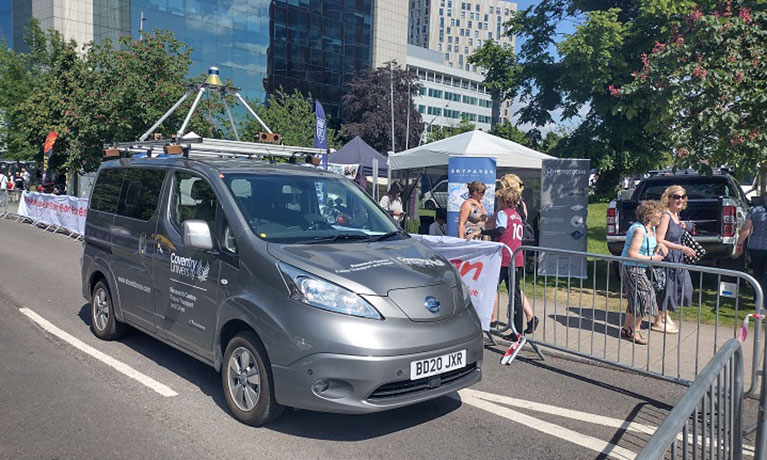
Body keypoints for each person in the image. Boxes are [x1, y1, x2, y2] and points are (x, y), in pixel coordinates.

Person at [483, 187, 539, 333]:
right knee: (514, 294)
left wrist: (483, 232)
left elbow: (500, 230)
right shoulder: (517, 215)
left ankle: (492, 322)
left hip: (505, 258)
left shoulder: (503, 213)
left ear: (505, 201)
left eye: (499, 200)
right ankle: (516, 330)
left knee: (491, 288)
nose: (498, 203)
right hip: (516, 257)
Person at [620, 200, 669, 345]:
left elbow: (651, 243)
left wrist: (660, 245)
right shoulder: (639, 230)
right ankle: (635, 330)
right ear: (649, 215)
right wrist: (653, 258)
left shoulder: (650, 229)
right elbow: (632, 253)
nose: (661, 216)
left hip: (640, 268)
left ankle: (626, 329)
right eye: (658, 213)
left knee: (635, 298)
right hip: (632, 268)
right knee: (645, 297)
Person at [655, 186, 696, 334]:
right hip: (667, 257)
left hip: (677, 258)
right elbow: (659, 239)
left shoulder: (676, 215)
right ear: (669, 198)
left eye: (682, 197)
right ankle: (658, 320)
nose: (680, 200)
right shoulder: (666, 215)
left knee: (683, 287)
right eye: (676, 197)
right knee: (667, 289)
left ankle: (666, 315)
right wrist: (681, 248)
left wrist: (683, 226)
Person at [735, 192, 767, 308]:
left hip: (756, 247)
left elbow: (746, 229)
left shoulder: (755, 210)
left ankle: (757, 298)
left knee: (757, 274)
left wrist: (739, 244)